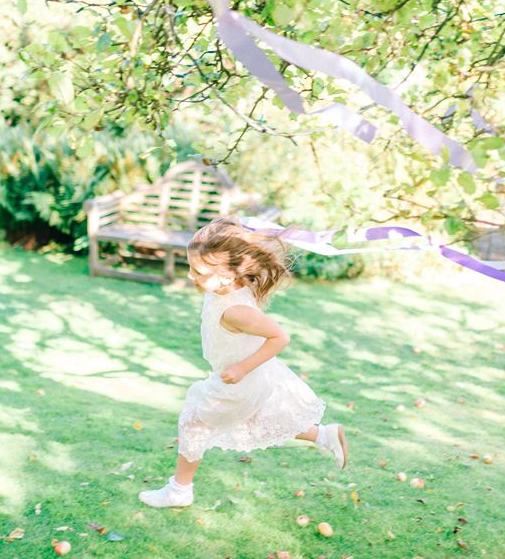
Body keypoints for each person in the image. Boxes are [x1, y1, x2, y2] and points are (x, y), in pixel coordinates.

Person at [138, 215, 348, 508]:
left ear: (227, 275)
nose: (191, 276)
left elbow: (280, 337)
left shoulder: (235, 310)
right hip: (247, 377)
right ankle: (324, 435)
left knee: (194, 425)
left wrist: (241, 368)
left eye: (198, 271)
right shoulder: (224, 288)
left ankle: (179, 490)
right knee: (260, 420)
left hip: (241, 379)